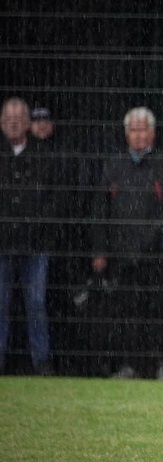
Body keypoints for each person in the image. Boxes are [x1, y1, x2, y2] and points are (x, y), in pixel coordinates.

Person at [91, 106, 163, 379]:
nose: (138, 136)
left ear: (153, 133)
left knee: (154, 311)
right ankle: (126, 364)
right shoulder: (113, 165)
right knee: (122, 313)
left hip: (153, 256)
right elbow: (100, 210)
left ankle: (154, 365)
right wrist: (101, 250)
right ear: (127, 134)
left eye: (143, 130)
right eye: (133, 130)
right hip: (119, 255)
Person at [0, 97, 54, 375]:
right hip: (3, 244)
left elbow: (50, 199)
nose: (13, 122)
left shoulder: (43, 156)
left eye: (18, 117)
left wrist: (37, 224)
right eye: (8, 117)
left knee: (36, 303)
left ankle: (41, 362)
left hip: (35, 244)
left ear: (28, 123)